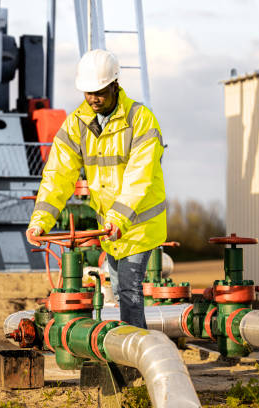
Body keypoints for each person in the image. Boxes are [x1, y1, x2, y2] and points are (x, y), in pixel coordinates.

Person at [26, 49, 166, 329]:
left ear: (115, 84)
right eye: (87, 92)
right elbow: (58, 174)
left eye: (99, 91)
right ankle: (127, 348)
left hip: (138, 225)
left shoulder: (140, 119)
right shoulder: (77, 123)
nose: (93, 98)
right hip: (110, 228)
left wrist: (117, 218)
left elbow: (139, 177)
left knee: (129, 291)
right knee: (118, 292)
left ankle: (136, 360)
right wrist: (40, 221)